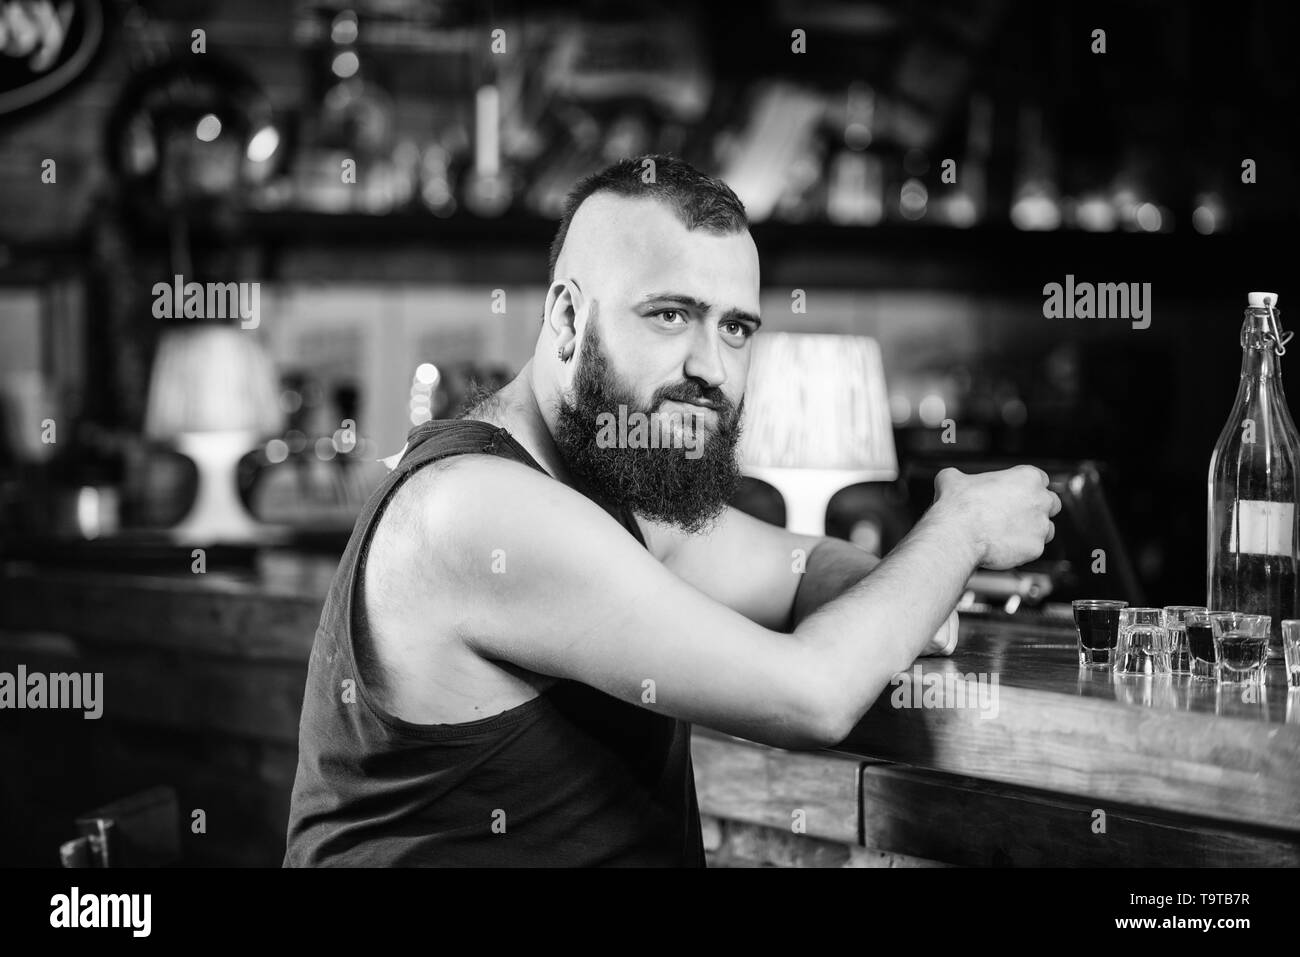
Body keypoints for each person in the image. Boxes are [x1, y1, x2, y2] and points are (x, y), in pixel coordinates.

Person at [284, 154, 1059, 866]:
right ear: (564, 319)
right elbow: (812, 695)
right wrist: (958, 528)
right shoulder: (476, 510)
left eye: (735, 327)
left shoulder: (608, 489)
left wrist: (911, 599)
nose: (710, 368)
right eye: (669, 314)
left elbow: (803, 569)